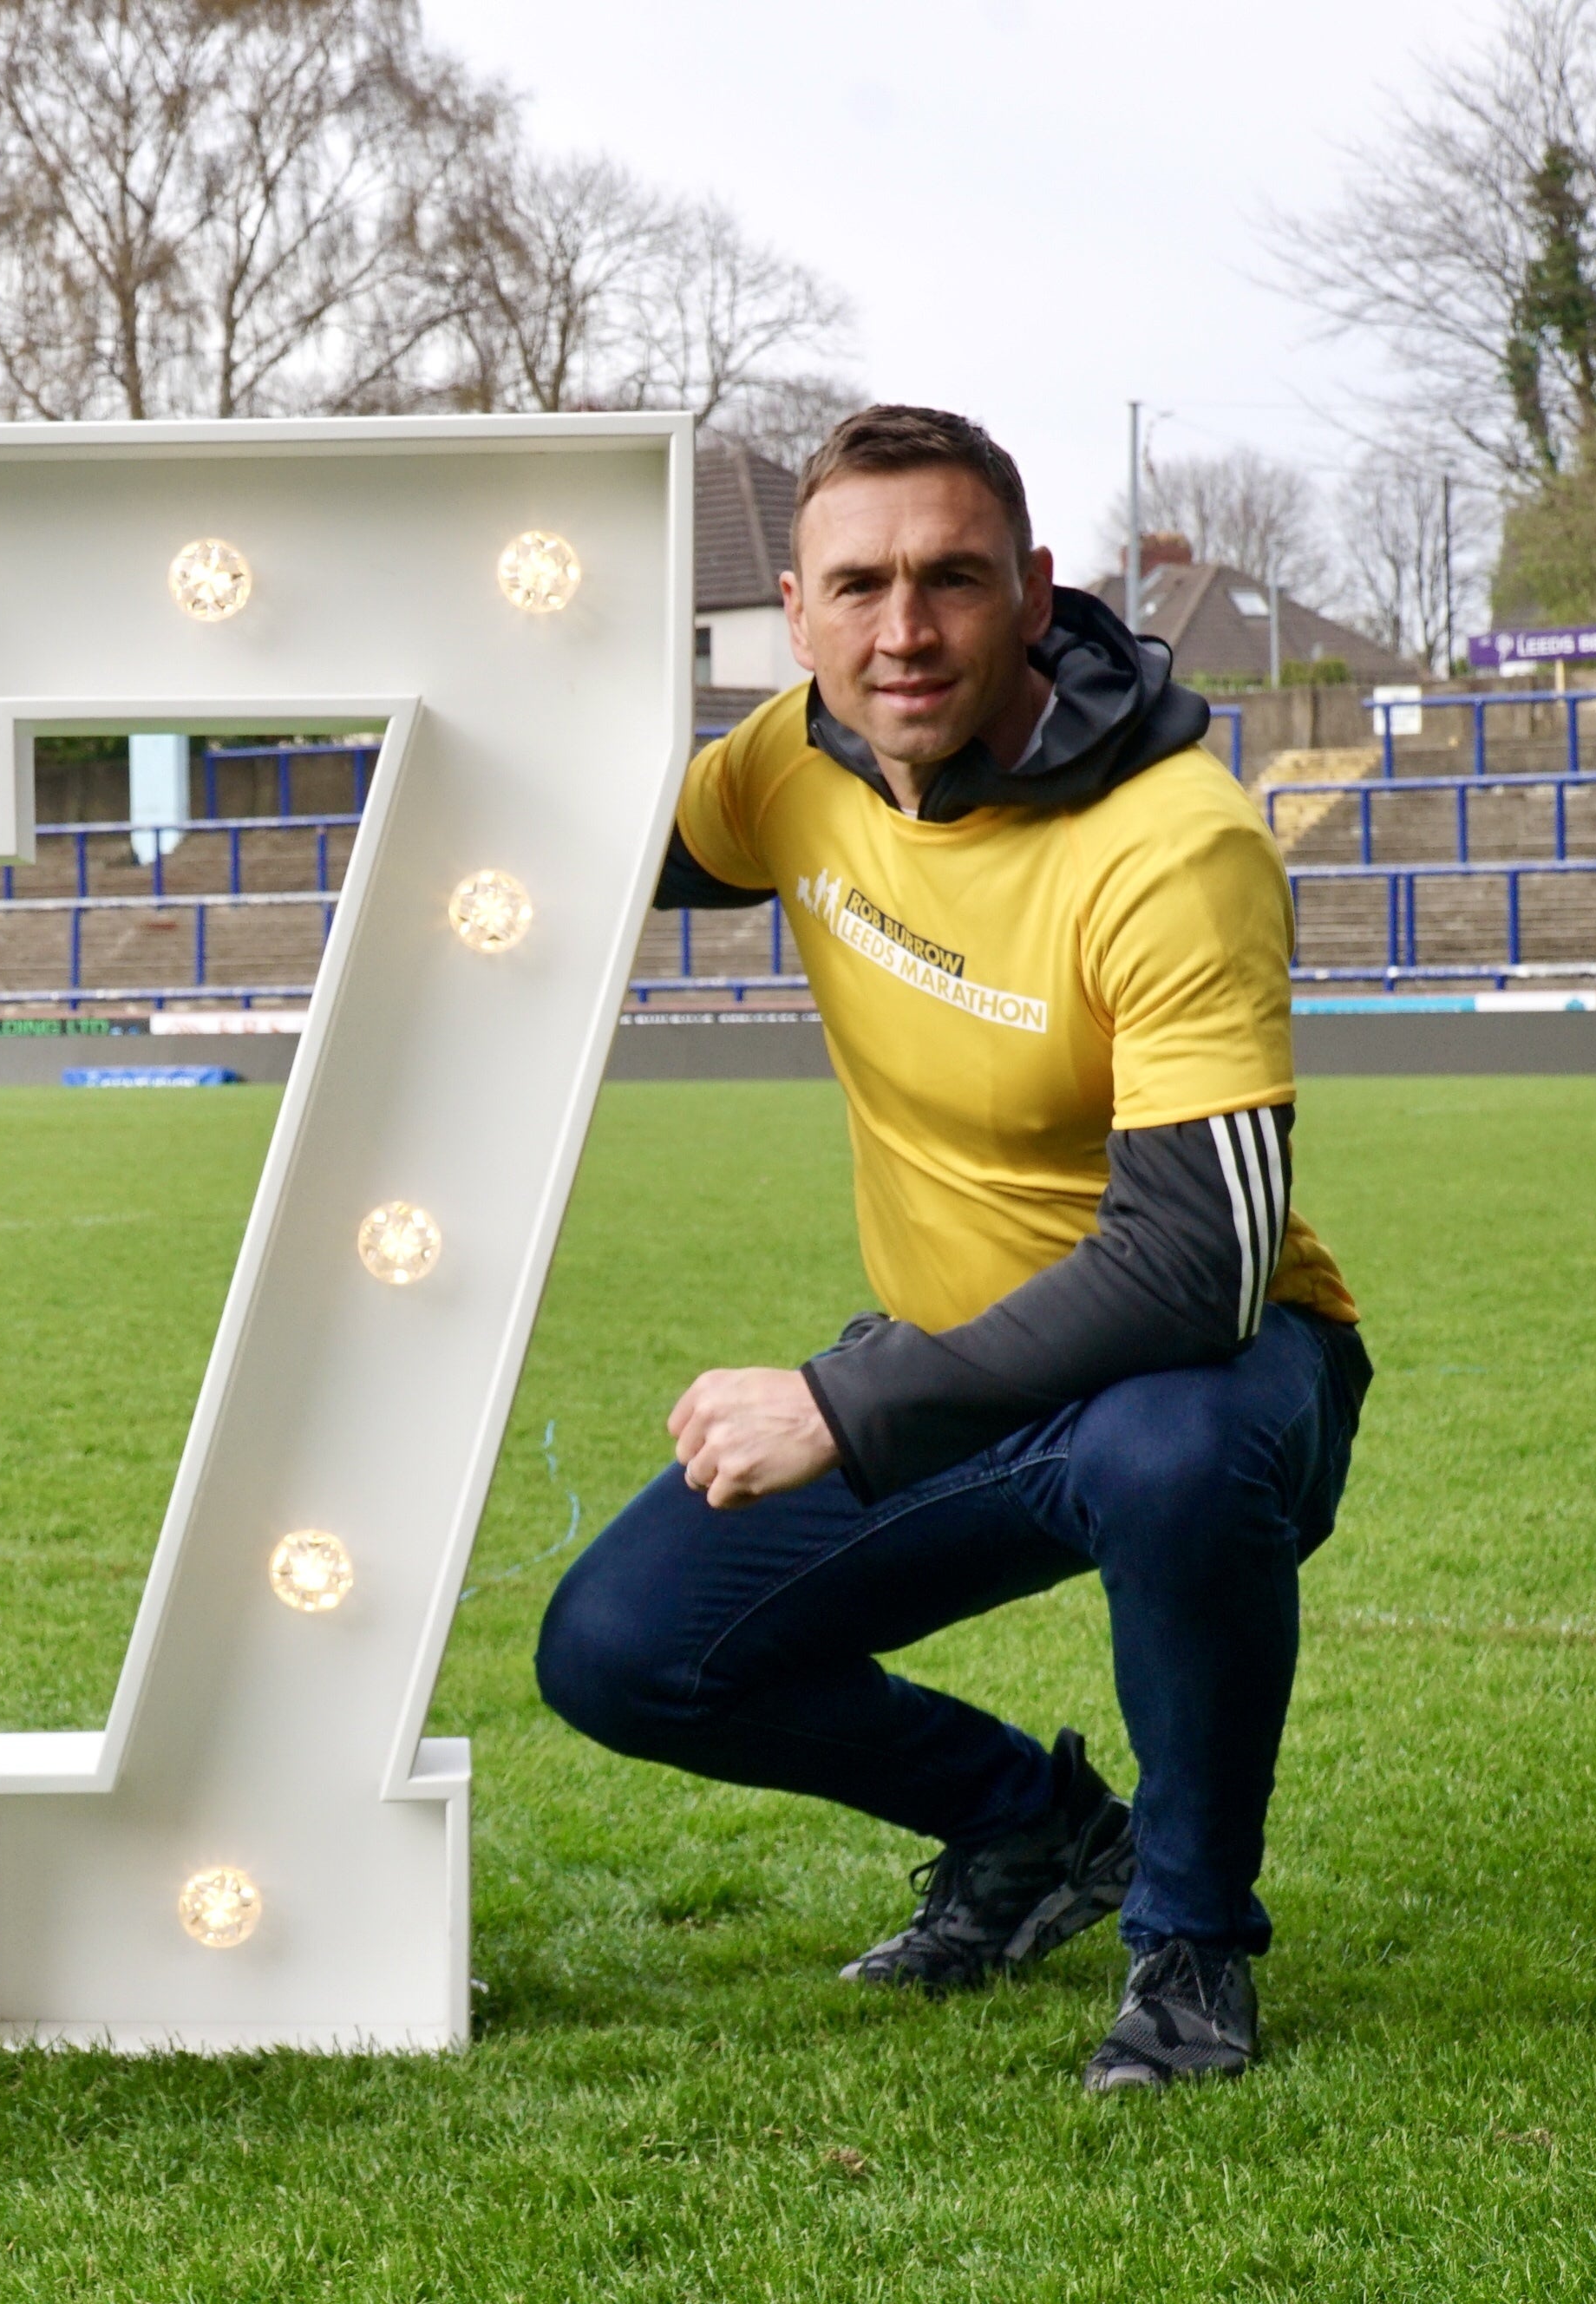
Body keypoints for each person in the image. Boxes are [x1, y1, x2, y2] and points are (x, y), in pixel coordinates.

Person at [533, 406, 1370, 2091]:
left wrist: (846, 1404)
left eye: (950, 579)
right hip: (957, 1364)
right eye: (858, 586)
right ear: (795, 606)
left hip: (1213, 1365)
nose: (901, 629)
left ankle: (1192, 1939)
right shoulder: (784, 763)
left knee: (1174, 1449)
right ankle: (1037, 1829)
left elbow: (1200, 1258)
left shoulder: (1174, 839)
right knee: (619, 1649)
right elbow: (587, 841)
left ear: (1034, 588)